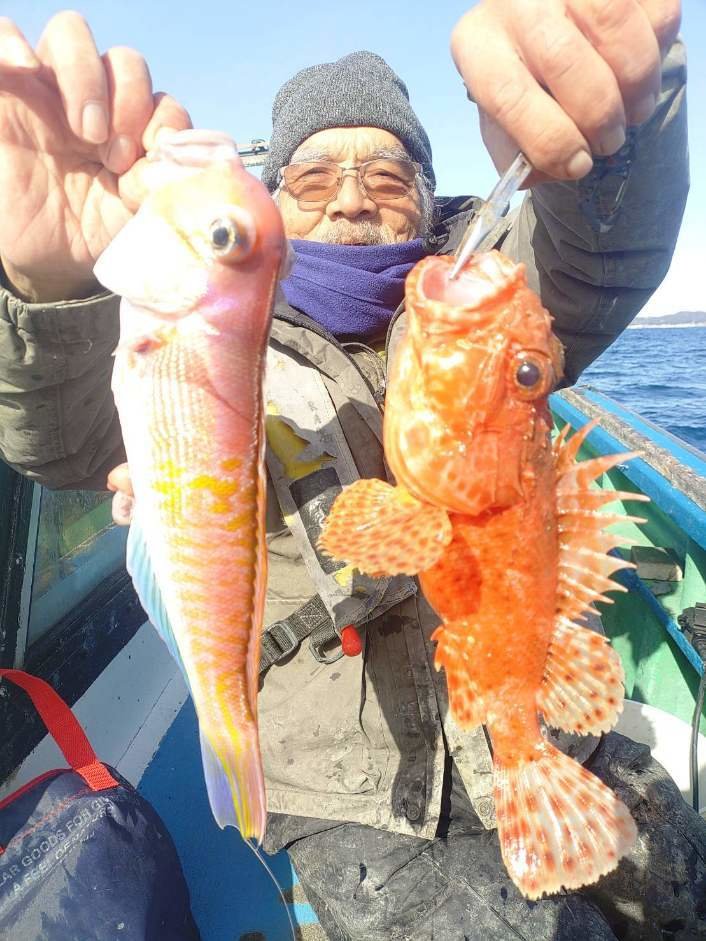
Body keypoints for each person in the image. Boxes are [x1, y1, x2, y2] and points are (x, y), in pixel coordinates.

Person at [0, 4, 703, 939]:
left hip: (538, 717)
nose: (351, 200)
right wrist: (55, 289)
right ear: (274, 199)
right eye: (312, 175)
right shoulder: (216, 331)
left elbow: (599, 249)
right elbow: (69, 436)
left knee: (683, 894)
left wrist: (610, 134)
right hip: (353, 793)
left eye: (386, 175)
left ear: (428, 194)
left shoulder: (481, 304)